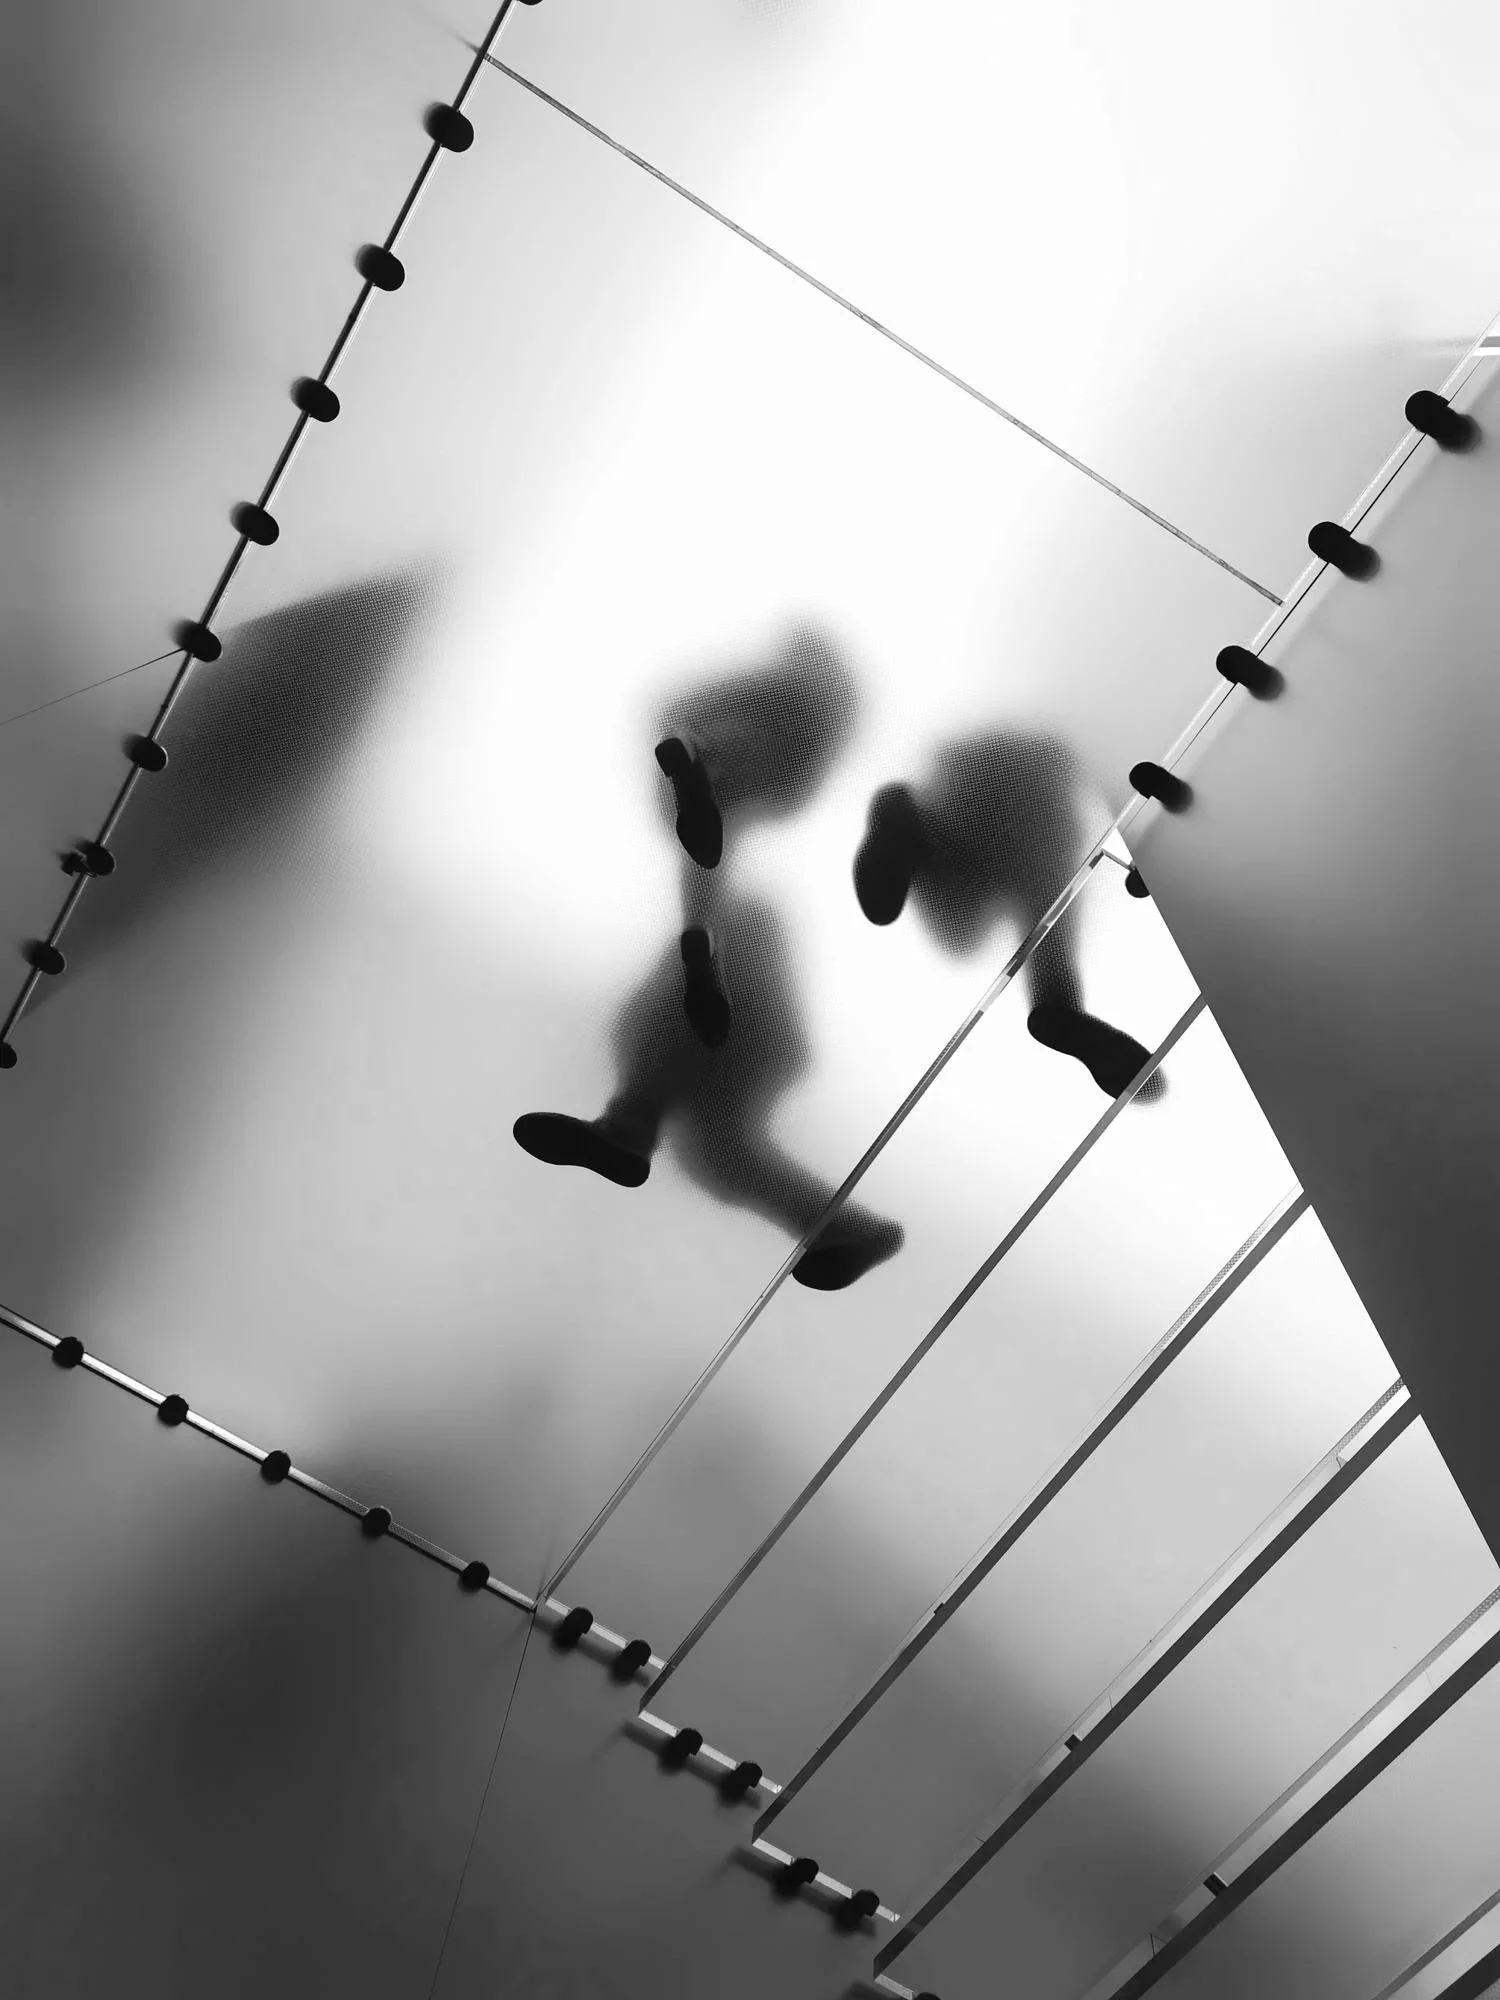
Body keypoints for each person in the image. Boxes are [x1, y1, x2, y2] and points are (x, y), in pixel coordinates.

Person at [513, 626, 905, 1291]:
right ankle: (843, 1229)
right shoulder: (744, 807)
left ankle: (631, 1125)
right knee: (716, 1149)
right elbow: (707, 851)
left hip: (740, 1017)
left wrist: (699, 945)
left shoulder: (734, 818)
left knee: (663, 1048)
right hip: (744, 1023)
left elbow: (706, 861)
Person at [852, 727, 1165, 1102]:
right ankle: (1059, 1008)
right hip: (1039, 796)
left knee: (967, 936)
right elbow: (1109, 762)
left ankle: (913, 828)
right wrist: (1146, 842)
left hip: (989, 785)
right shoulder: (1102, 722)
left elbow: (1107, 762)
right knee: (1032, 927)